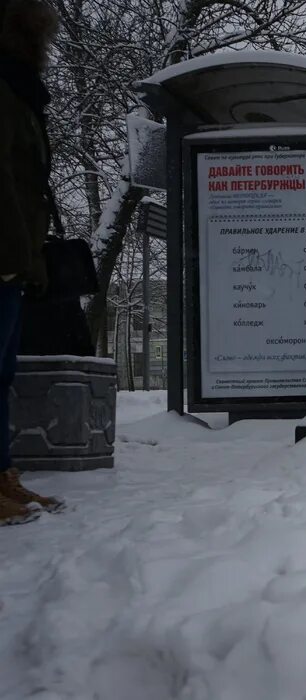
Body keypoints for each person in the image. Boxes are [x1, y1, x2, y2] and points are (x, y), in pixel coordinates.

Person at [0, 0, 64, 525]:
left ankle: (2, 476)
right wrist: (19, 257)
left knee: (2, 376)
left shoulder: (19, 90)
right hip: (4, 255)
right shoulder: (7, 89)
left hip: (14, 258)